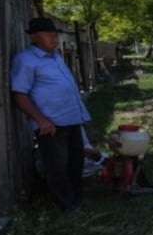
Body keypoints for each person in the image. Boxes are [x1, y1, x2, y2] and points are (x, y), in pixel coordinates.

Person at [11, 17, 92, 213]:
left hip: (71, 118)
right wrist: (40, 120)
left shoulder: (56, 56)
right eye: (50, 35)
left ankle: (76, 201)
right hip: (51, 123)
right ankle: (65, 206)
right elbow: (19, 94)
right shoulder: (26, 60)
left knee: (75, 163)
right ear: (35, 37)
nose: (55, 39)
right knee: (57, 167)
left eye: (56, 36)